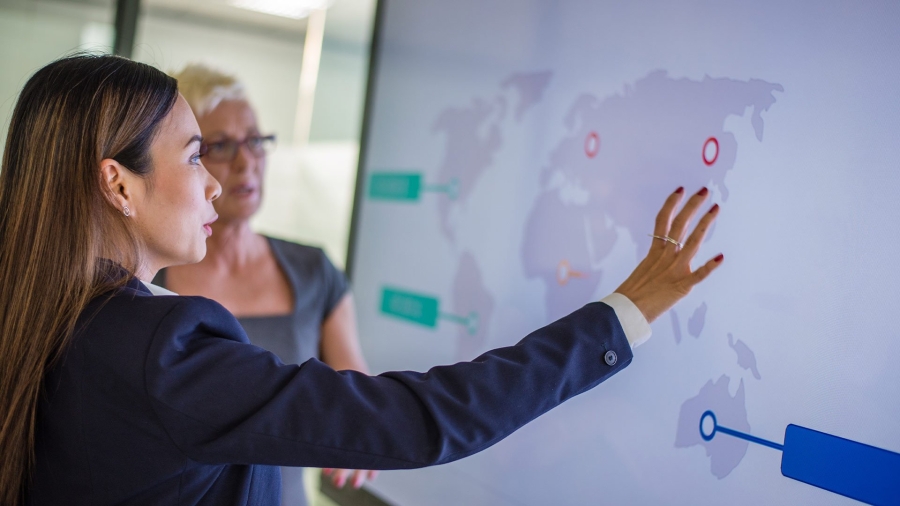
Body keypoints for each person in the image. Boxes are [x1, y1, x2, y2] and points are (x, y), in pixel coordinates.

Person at [0, 55, 722, 506]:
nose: (218, 184)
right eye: (196, 157)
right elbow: (418, 420)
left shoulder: (52, 316)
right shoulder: (160, 344)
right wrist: (622, 314)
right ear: (118, 186)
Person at [150, 64, 374, 503]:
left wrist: (362, 435)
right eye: (219, 146)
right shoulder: (148, 276)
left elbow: (356, 399)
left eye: (255, 140)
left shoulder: (314, 271)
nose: (245, 161)